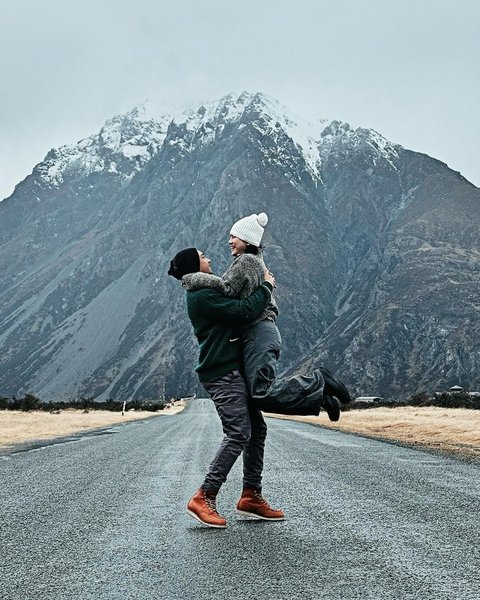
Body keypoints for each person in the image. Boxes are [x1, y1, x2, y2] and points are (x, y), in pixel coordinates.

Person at [182, 212, 352, 418]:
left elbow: (226, 289)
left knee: (261, 392)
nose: (229, 241)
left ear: (246, 240)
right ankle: (320, 398)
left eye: (233, 237)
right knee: (258, 396)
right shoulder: (254, 260)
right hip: (261, 331)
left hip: (258, 330)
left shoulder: (246, 262)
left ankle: (320, 381)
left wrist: (192, 279)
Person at [168, 247, 287, 528]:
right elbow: (243, 312)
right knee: (239, 432)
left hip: (232, 369)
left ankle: (251, 496)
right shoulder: (201, 295)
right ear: (195, 265)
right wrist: (267, 286)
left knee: (257, 430)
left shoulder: (209, 289)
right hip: (220, 371)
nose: (209, 258)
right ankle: (204, 496)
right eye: (203, 255)